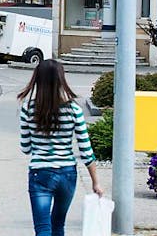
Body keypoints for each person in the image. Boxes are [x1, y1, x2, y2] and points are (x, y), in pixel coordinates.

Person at [18, 59, 103, 236]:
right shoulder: (74, 109)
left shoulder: (28, 108)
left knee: (43, 228)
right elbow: (86, 151)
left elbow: (25, 147)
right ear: (61, 79)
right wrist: (96, 182)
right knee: (58, 225)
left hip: (39, 173)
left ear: (37, 80)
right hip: (67, 173)